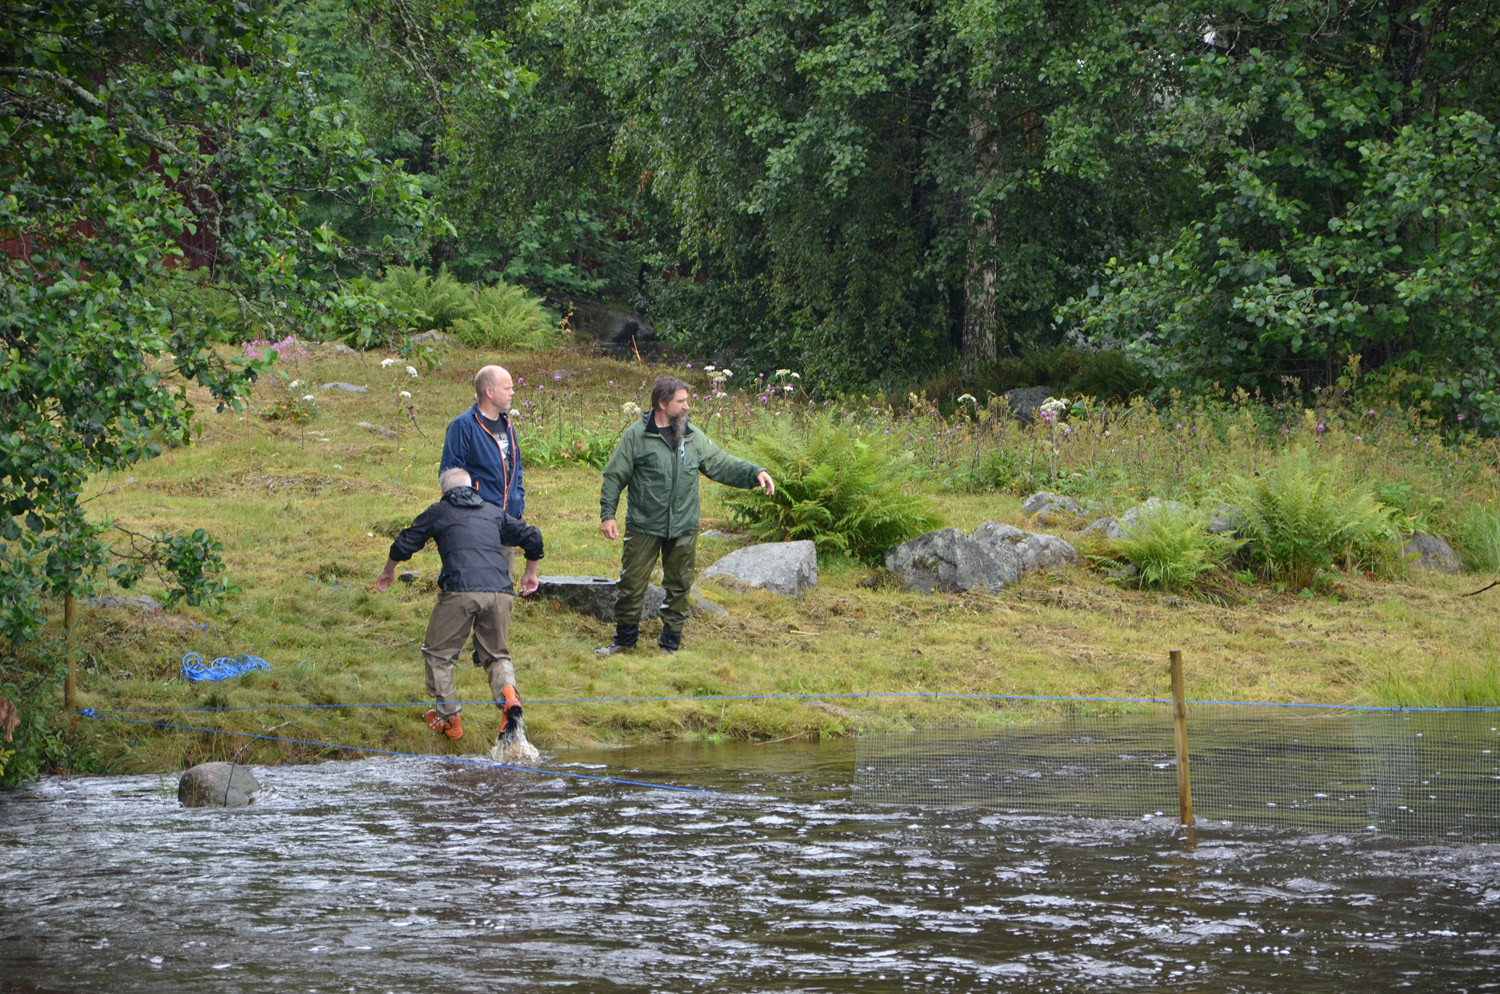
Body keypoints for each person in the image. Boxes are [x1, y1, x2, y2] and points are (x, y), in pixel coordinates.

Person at [597, 375, 775, 654]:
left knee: (679, 585)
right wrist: (608, 514)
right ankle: (624, 640)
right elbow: (613, 476)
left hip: (684, 525)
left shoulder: (692, 437)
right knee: (631, 584)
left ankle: (670, 642)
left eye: (686, 400)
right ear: (662, 403)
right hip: (644, 524)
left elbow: (721, 464)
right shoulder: (636, 436)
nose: (686, 406)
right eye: (680, 401)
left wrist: (755, 472)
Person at [376, 467, 543, 744]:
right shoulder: (492, 511)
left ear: (443, 493)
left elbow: (405, 542)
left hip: (460, 591)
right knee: (497, 655)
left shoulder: (439, 511)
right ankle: (510, 698)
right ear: (473, 488)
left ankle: (449, 719)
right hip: (500, 592)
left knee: (438, 653)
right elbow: (532, 536)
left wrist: (388, 571)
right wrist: (531, 573)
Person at [442, 365, 525, 574]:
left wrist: (518, 502)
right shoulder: (462, 426)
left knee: (503, 589)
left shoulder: (508, 425)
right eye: (507, 388)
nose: (512, 393)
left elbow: (516, 469)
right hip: (476, 526)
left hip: (507, 522)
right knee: (473, 586)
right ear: (489, 392)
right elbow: (449, 478)